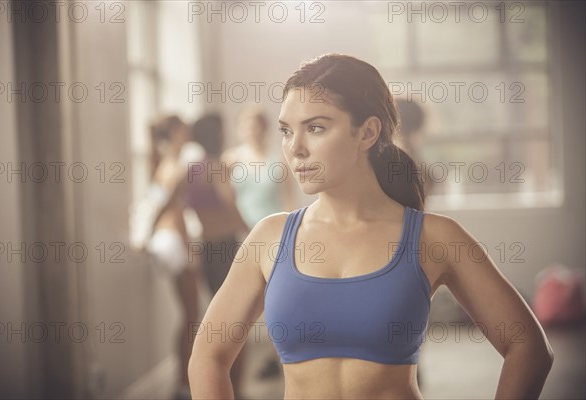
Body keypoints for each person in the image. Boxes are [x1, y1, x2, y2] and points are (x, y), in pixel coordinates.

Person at [188, 54, 554, 399]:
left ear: (367, 133)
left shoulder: (435, 237)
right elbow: (208, 357)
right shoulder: (269, 239)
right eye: (286, 131)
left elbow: (528, 347)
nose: (295, 148)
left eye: (315, 128)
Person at [221, 104, 296, 380]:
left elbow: (289, 201)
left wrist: (291, 235)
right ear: (240, 129)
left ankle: (277, 357)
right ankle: (232, 362)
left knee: (277, 300)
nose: (251, 130)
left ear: (264, 128)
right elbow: (222, 201)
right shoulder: (230, 160)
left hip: (274, 239)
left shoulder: (279, 159)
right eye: (246, 125)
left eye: (256, 124)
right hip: (241, 239)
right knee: (243, 302)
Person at [183, 114, 251, 398]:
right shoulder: (216, 168)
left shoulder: (193, 169)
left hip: (207, 248)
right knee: (238, 325)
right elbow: (230, 205)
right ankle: (237, 391)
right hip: (226, 248)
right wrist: (254, 233)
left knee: (217, 321)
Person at [144, 115, 201, 400]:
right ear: (177, 132)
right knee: (192, 315)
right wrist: (189, 247)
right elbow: (168, 209)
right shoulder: (173, 167)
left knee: (190, 315)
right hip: (174, 242)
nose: (189, 131)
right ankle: (183, 384)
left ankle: (183, 382)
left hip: (169, 240)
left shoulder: (168, 162)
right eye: (185, 127)